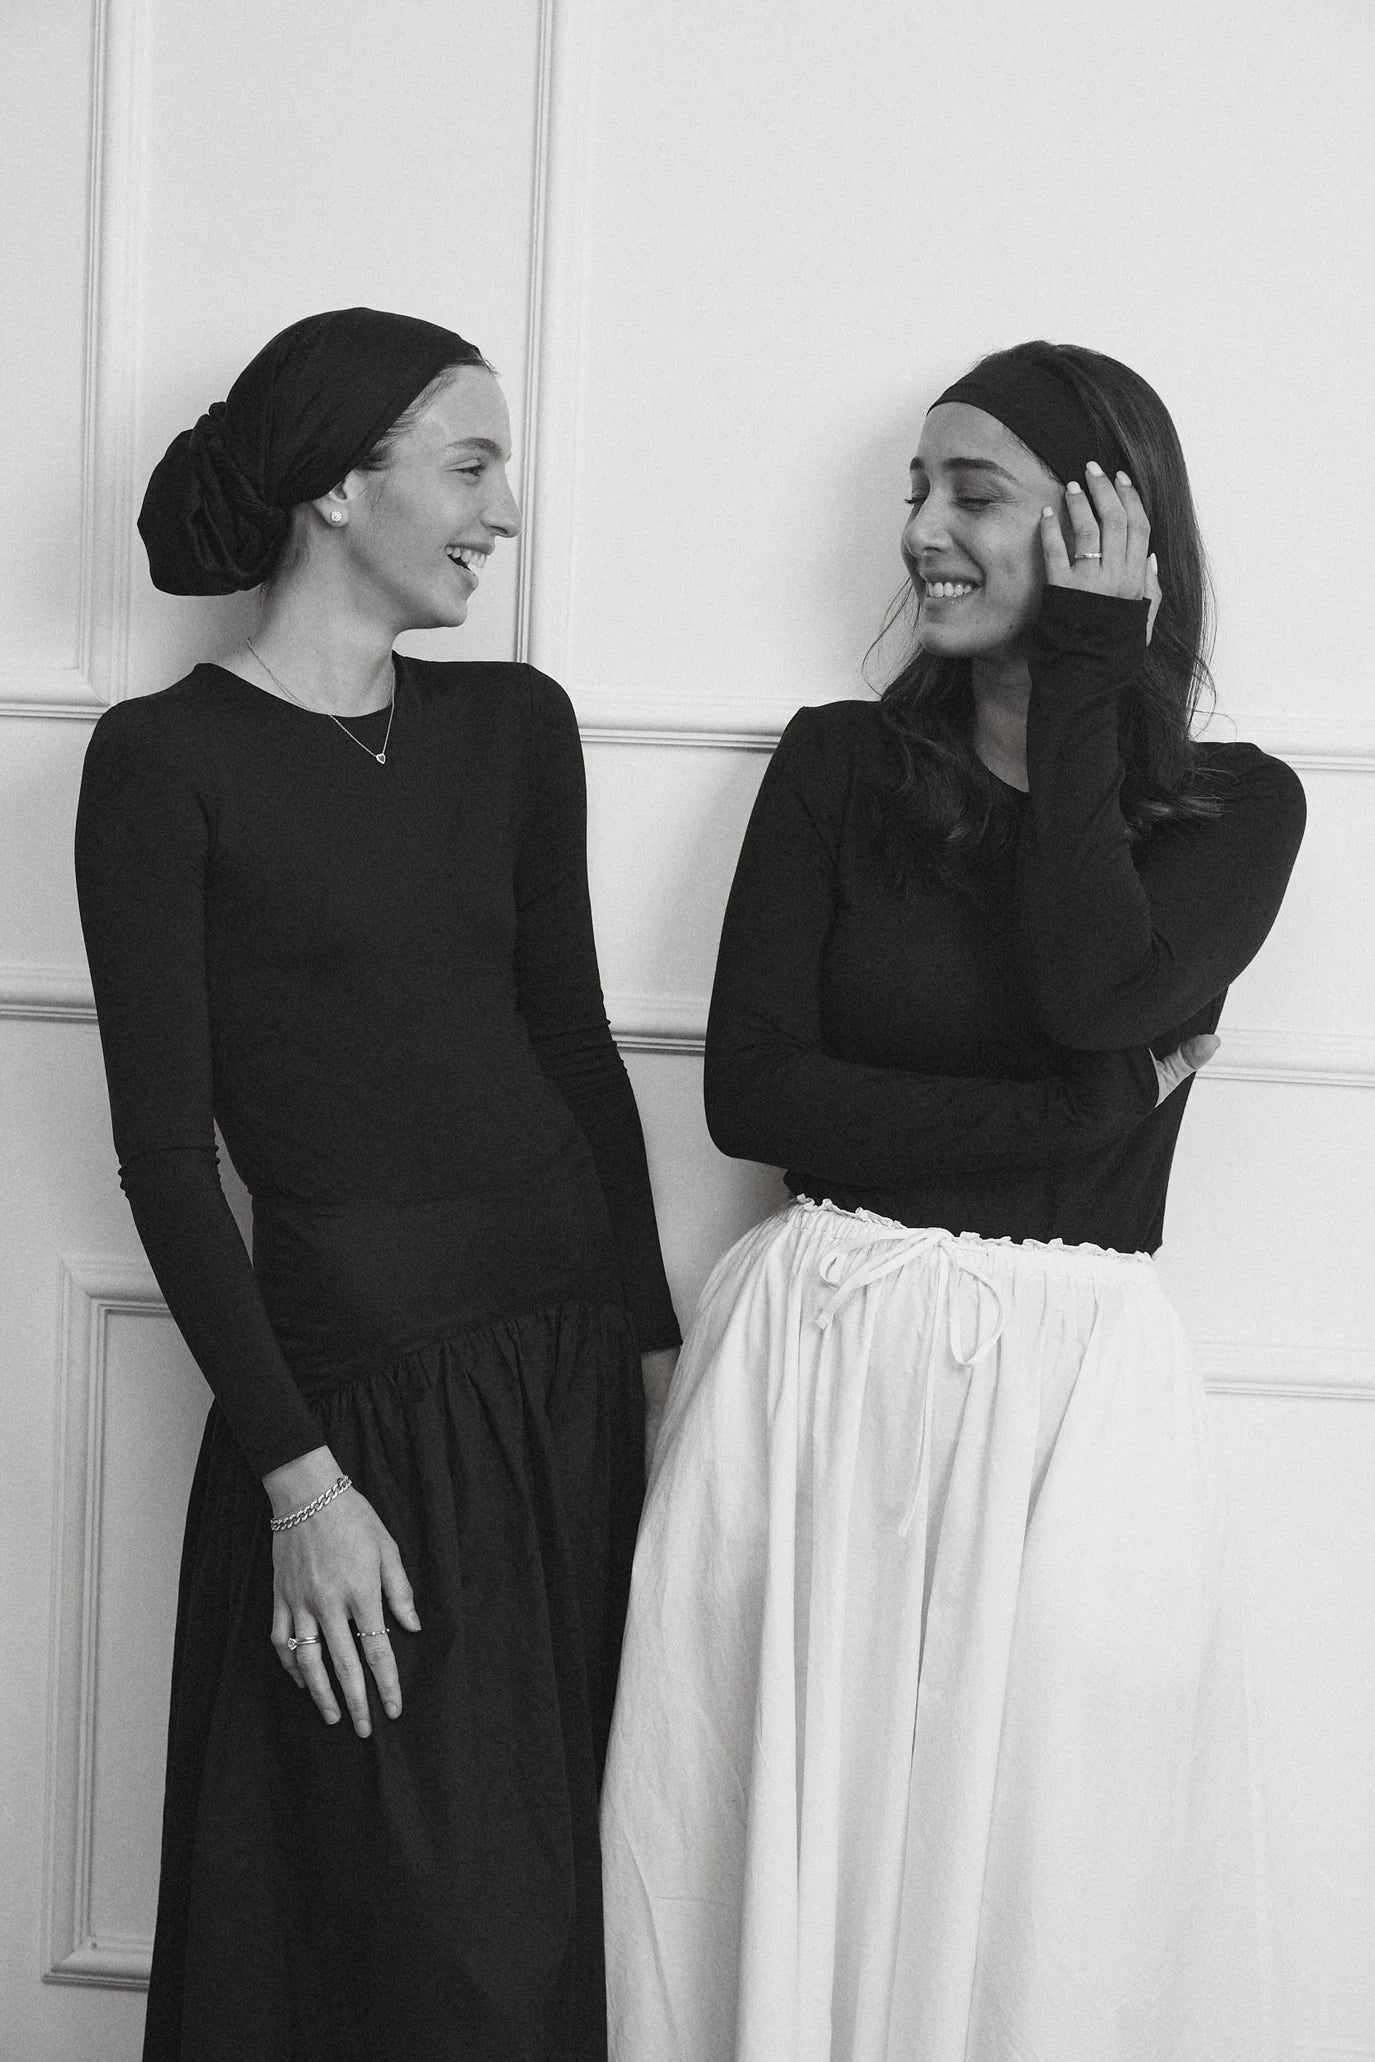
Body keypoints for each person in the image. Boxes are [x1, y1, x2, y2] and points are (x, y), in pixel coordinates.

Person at [600, 339, 1305, 2061]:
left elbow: (1092, 981)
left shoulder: (1238, 809)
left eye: (972, 493)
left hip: (1075, 1403)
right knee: (774, 1854)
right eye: (918, 490)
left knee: (1056, 1889)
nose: (921, 529)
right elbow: (762, 1098)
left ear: (1105, 531)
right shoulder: (841, 764)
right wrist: (1083, 1113)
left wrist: (1090, 678)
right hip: (819, 1360)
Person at [74, 306, 679, 2062]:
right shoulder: (162, 761)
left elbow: (573, 1052)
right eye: (472, 465)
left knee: (559, 1923)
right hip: (358, 1426)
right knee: (400, 1943)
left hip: (563, 1387)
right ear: (343, 485)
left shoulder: (517, 726)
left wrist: (653, 1373)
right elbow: (161, 1155)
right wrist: (299, 1483)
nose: (507, 511)